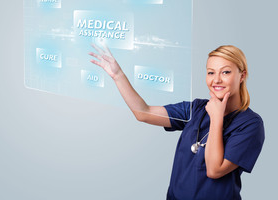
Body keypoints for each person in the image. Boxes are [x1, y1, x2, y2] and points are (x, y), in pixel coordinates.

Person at [89, 44, 265, 200]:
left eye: (225, 72)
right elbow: (144, 113)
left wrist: (217, 118)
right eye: (211, 72)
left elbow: (214, 170)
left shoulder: (250, 124)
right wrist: (118, 75)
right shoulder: (196, 109)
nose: (216, 79)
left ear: (242, 75)